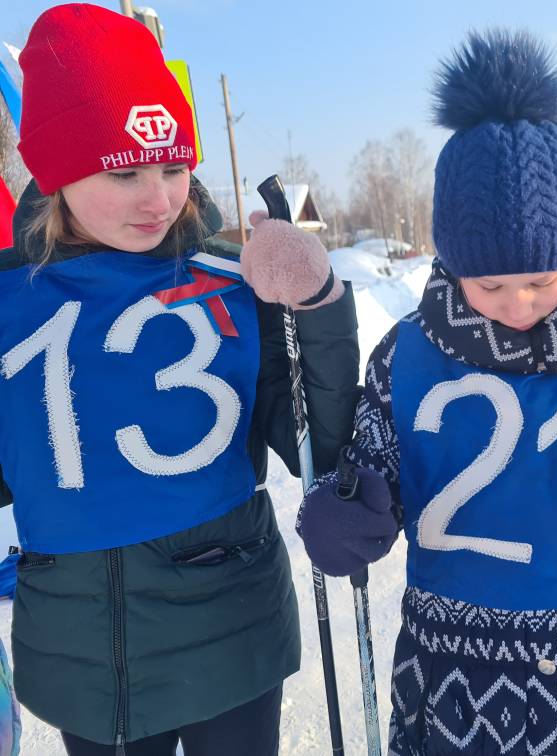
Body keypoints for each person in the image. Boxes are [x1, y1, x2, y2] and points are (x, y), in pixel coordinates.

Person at [271, 29, 557, 755]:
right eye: (490, 283)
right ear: (452, 261)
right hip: (453, 676)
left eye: (541, 279)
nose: (518, 302)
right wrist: (348, 515)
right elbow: (369, 475)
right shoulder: (405, 355)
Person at [0, 5, 359, 754]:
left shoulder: (231, 280)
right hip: (81, 660)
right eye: (124, 171)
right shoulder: (11, 302)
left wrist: (315, 307)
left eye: (173, 166)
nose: (159, 198)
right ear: (56, 170)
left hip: (232, 641)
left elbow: (314, 444)